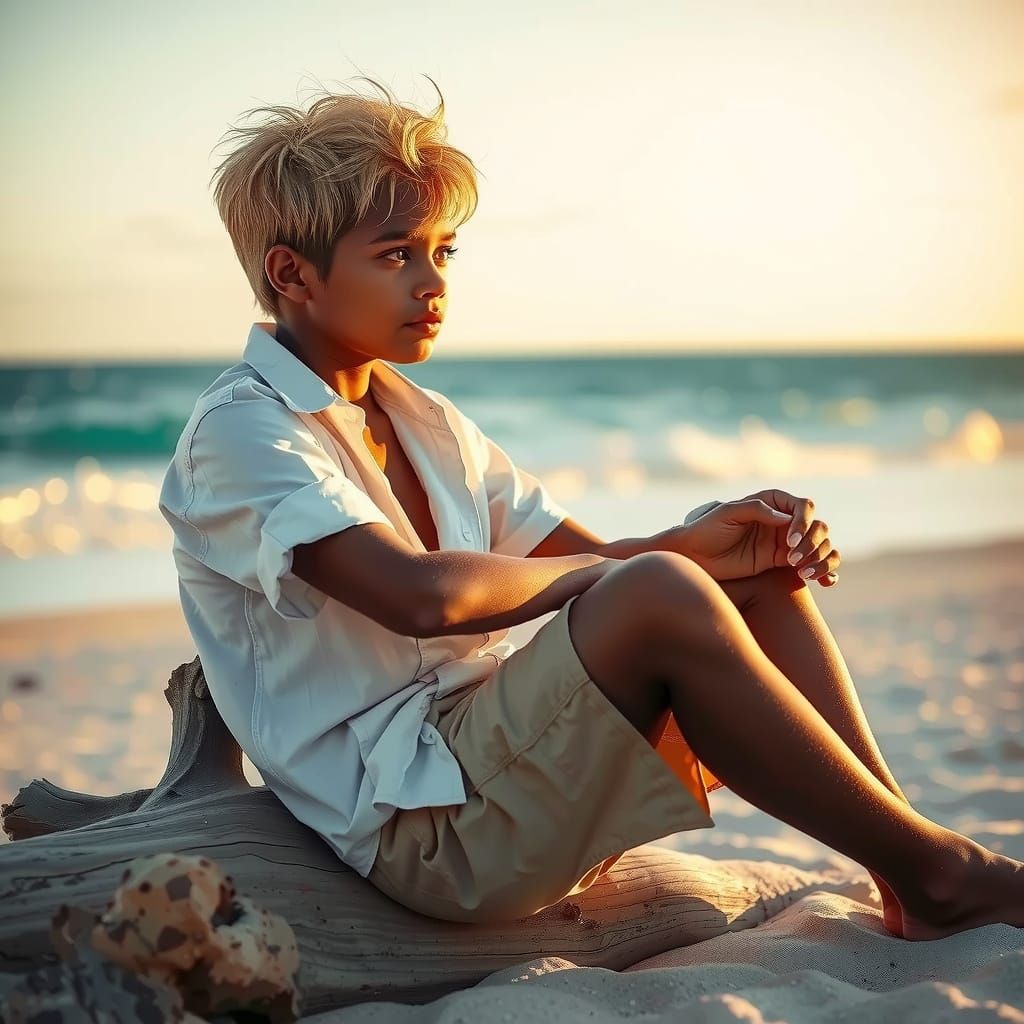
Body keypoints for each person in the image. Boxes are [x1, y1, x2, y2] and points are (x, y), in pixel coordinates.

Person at [159, 76, 1024, 937]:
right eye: (396, 254)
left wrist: (710, 545)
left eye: (444, 251)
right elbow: (420, 594)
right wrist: (660, 564)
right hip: (418, 833)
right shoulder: (240, 432)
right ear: (291, 273)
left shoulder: (422, 419)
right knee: (662, 585)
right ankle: (945, 875)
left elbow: (591, 562)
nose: (433, 283)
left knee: (748, 580)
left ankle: (914, 870)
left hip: (492, 768)